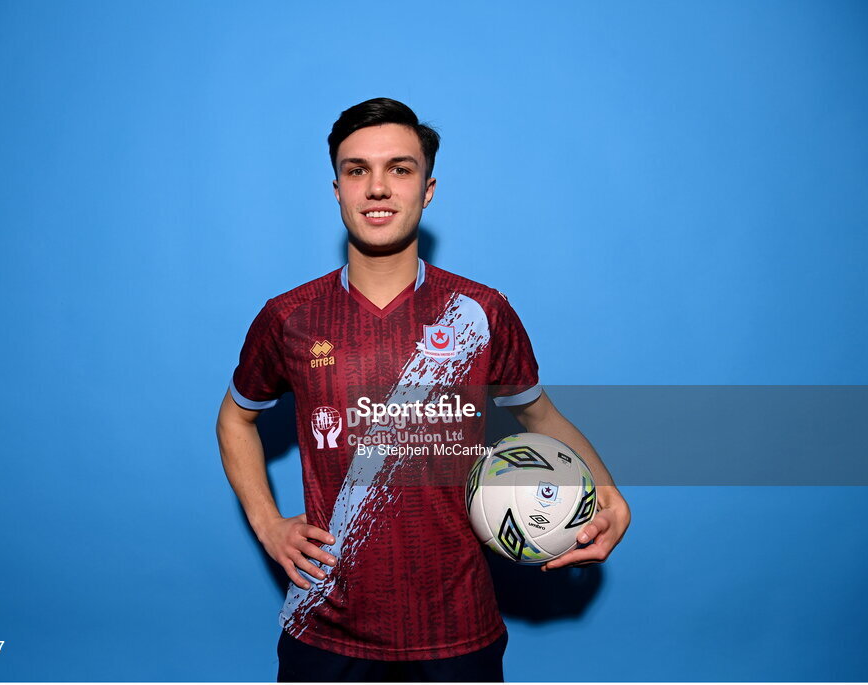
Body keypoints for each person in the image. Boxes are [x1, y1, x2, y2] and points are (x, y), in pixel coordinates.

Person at [216, 98, 631, 682]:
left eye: (399, 169)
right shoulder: (289, 317)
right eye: (357, 170)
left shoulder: (480, 311)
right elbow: (236, 418)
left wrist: (606, 490)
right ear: (336, 188)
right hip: (323, 631)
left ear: (428, 189)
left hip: (458, 633)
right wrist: (267, 522)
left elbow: (539, 417)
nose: (378, 187)